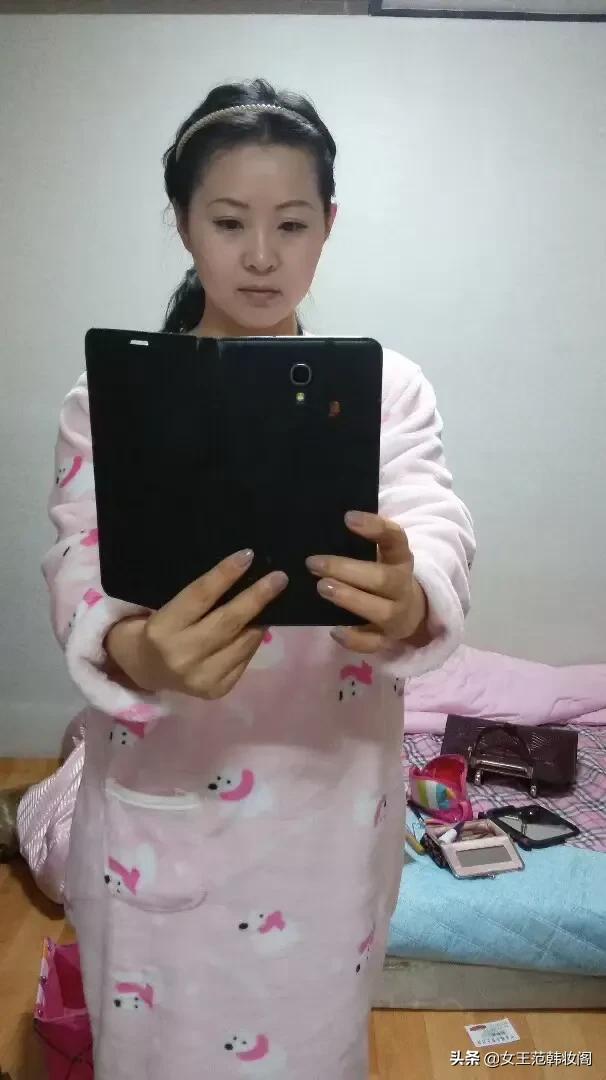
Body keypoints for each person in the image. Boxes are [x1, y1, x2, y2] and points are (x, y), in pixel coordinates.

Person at [34, 78, 475, 1078]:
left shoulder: (387, 390)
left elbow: (433, 517)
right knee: (155, 1050)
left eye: (293, 223)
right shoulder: (111, 400)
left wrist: (411, 594)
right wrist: (140, 650)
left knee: (314, 1049)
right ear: (183, 222)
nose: (263, 256)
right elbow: (79, 559)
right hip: (162, 806)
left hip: (329, 812)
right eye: (230, 222)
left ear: (329, 226)